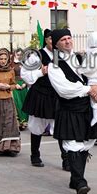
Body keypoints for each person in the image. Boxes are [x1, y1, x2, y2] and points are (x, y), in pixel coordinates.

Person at [47, 29, 97, 194]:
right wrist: (88, 89)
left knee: (85, 144)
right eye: (63, 39)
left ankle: (75, 178)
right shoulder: (54, 63)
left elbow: (96, 76)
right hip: (69, 109)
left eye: (69, 38)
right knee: (72, 145)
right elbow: (64, 89)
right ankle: (80, 182)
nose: (68, 41)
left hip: (86, 108)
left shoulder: (80, 58)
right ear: (56, 44)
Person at [21, 29, 69, 169]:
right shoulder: (37, 56)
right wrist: (40, 72)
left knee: (61, 127)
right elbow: (25, 74)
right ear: (46, 40)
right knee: (37, 126)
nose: (52, 42)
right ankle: (35, 155)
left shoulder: (62, 55)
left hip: (57, 95)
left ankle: (66, 159)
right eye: (49, 39)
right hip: (40, 94)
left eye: (55, 39)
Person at [12, 49, 29, 131]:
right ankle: (18, 123)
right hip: (16, 85)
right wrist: (15, 84)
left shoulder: (25, 64)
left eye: (20, 54)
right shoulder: (11, 64)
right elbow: (10, 76)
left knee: (24, 103)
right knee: (17, 103)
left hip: (23, 85)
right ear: (14, 54)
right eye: (18, 54)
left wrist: (25, 83)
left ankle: (24, 122)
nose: (19, 56)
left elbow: (28, 75)